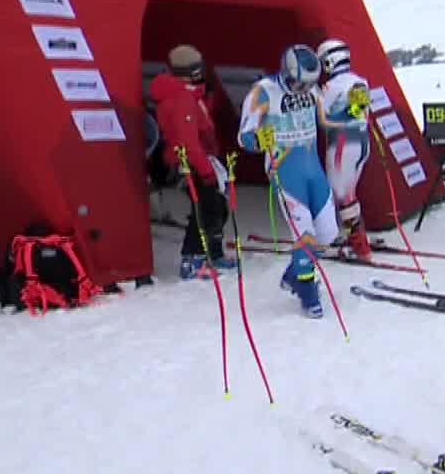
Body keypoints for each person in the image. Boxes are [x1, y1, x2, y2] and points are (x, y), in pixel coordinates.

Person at [239, 44, 338, 318]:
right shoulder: (263, 91)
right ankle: (306, 291)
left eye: (309, 85)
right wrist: (260, 139)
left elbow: (327, 118)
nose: (304, 90)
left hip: (312, 168)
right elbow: (244, 136)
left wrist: (353, 111)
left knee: (328, 233)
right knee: (304, 232)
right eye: (299, 84)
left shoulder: (312, 89)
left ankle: (295, 272)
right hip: (284, 170)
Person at [150, 44, 236, 280]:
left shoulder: (190, 94)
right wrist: (206, 171)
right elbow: (189, 142)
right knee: (205, 209)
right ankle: (192, 260)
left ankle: (214, 253)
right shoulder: (182, 99)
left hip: (200, 160)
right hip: (190, 163)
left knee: (217, 206)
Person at [315, 37, 375, 260]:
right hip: (361, 141)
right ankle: (357, 237)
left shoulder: (331, 87)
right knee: (349, 192)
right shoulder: (360, 81)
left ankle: (359, 246)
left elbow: (322, 119)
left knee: (342, 195)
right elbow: (359, 112)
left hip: (342, 143)